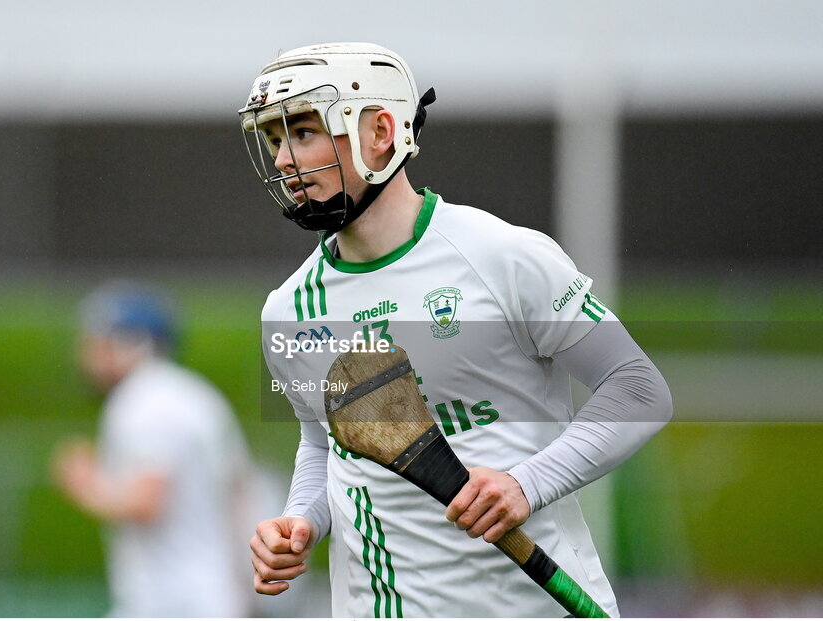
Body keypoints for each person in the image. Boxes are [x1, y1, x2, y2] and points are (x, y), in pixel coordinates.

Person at [241, 42, 672, 617]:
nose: (284, 160)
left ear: (380, 131)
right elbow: (325, 445)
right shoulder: (290, 309)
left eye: (302, 132)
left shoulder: (501, 256)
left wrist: (526, 484)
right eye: (274, 140)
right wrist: (300, 521)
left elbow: (638, 388)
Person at [53, 281, 252, 617]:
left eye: (98, 343)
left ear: (132, 344)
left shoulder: (144, 401)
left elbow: (146, 502)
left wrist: (84, 483)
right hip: (212, 594)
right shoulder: (191, 395)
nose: (87, 355)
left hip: (171, 601)